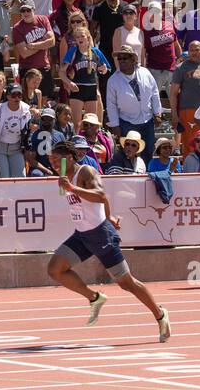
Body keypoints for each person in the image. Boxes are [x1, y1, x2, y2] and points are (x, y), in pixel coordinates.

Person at [49, 138, 172, 341]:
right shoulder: (64, 177)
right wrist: (110, 216)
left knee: (127, 283)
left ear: (69, 158)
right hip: (82, 235)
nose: (53, 163)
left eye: (57, 159)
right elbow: (98, 203)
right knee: (54, 269)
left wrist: (73, 189)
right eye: (51, 159)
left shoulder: (85, 172)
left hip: (101, 235)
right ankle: (94, 298)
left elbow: (101, 194)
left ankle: (160, 314)